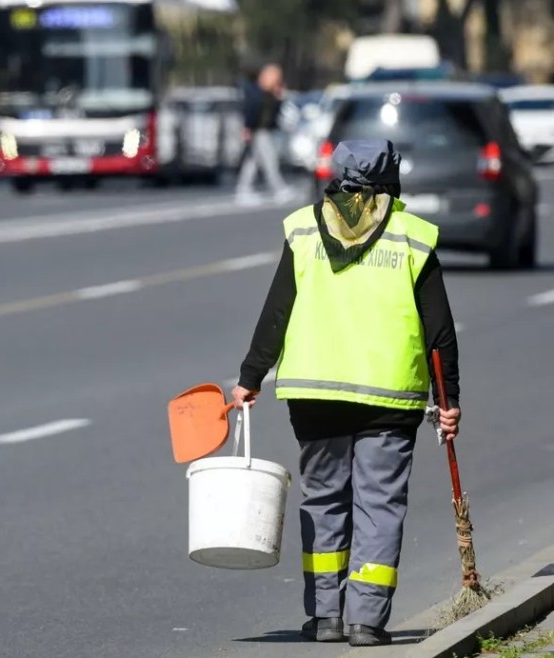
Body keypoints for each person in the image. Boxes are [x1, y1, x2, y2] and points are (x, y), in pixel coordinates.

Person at [231, 140, 461, 647]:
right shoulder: (412, 238)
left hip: (314, 395)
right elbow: (439, 332)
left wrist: (251, 377)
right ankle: (366, 620)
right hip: (388, 396)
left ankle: (326, 616)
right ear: (391, 180)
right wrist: (448, 402)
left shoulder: (302, 229)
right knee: (379, 505)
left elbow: (277, 312)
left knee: (324, 501)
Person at [235, 64, 295, 206]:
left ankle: (243, 190)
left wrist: (279, 98)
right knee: (269, 160)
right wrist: (247, 129)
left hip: (264, 130)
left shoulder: (269, 94)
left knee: (253, 162)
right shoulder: (254, 92)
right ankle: (278, 189)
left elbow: (275, 113)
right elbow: (250, 111)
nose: (277, 81)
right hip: (258, 131)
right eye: (275, 77)